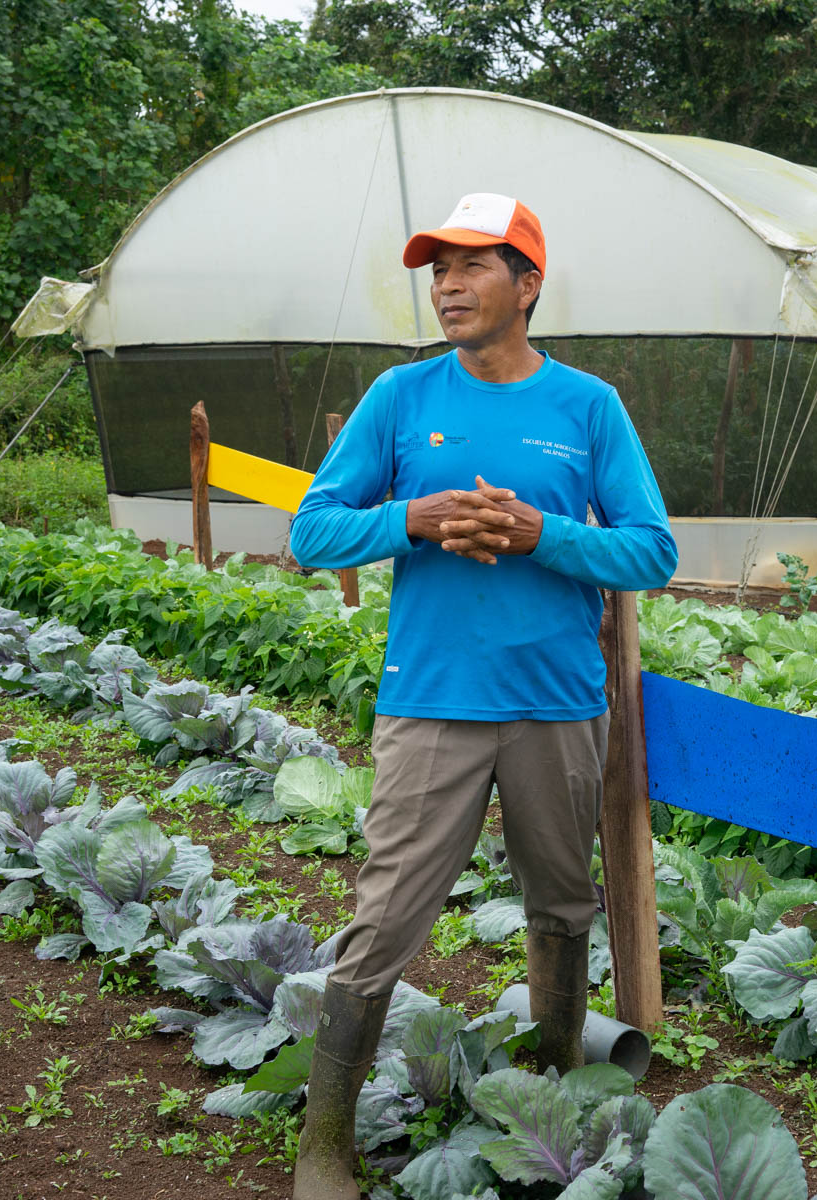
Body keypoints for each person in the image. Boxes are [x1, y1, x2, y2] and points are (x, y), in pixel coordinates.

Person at [285, 192, 678, 1199]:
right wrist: (414, 518)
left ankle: (547, 1085)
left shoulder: (586, 407)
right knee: (386, 915)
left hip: (555, 704)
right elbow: (312, 531)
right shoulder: (401, 400)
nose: (446, 287)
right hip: (433, 703)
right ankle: (325, 1143)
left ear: (528, 284)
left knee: (561, 902)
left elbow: (652, 550)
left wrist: (541, 536)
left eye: (470, 267)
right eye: (437, 270)